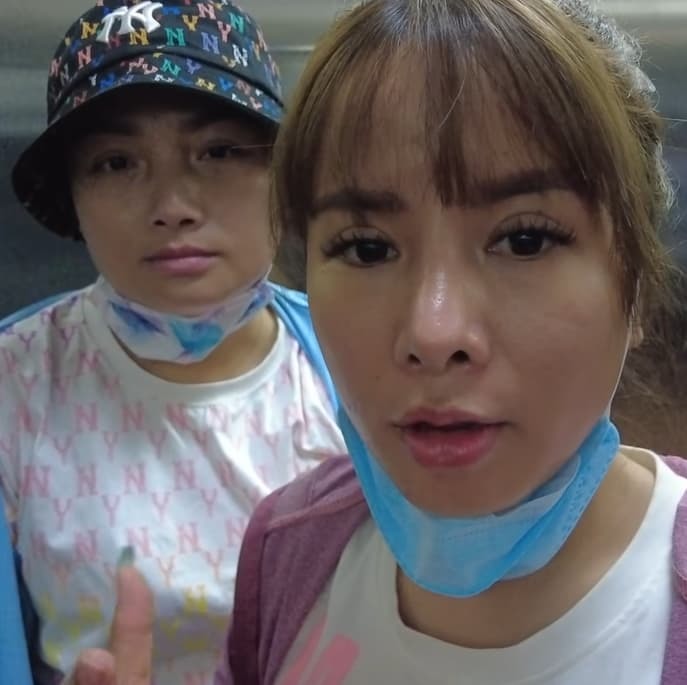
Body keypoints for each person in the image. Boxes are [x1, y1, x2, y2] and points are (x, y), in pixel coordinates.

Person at [220, 0, 687, 682]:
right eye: (367, 247)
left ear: (635, 285)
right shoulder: (286, 547)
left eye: (524, 239)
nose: (433, 334)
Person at [0, 1, 345, 683]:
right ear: (72, 198)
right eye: (115, 162)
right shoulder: (18, 379)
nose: (172, 206)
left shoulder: (357, 355)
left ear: (282, 175)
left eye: (218, 151)